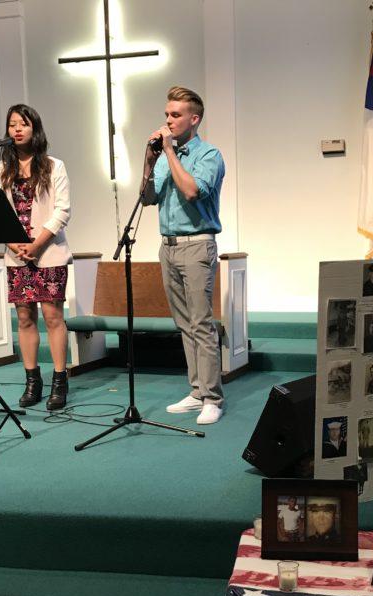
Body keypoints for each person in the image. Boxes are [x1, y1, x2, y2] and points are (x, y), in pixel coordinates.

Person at [142, 86, 226, 425]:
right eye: (166, 115)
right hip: (169, 246)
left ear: (195, 119)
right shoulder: (163, 158)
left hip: (197, 245)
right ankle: (196, 391)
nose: (168, 121)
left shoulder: (210, 155)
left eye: (175, 115)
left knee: (201, 323)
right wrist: (148, 162)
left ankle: (213, 398)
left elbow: (192, 191)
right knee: (183, 324)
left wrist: (169, 153)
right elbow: (147, 198)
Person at [0, 104, 73, 409]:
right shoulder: (1, 168)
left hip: (48, 252)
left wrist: (36, 245)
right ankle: (32, 381)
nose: (17, 129)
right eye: (12, 125)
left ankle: (60, 381)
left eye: (23, 124)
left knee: (53, 317)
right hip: (16, 255)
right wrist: (16, 245)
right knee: (24, 318)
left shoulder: (54, 166)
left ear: (34, 129)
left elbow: (62, 211)